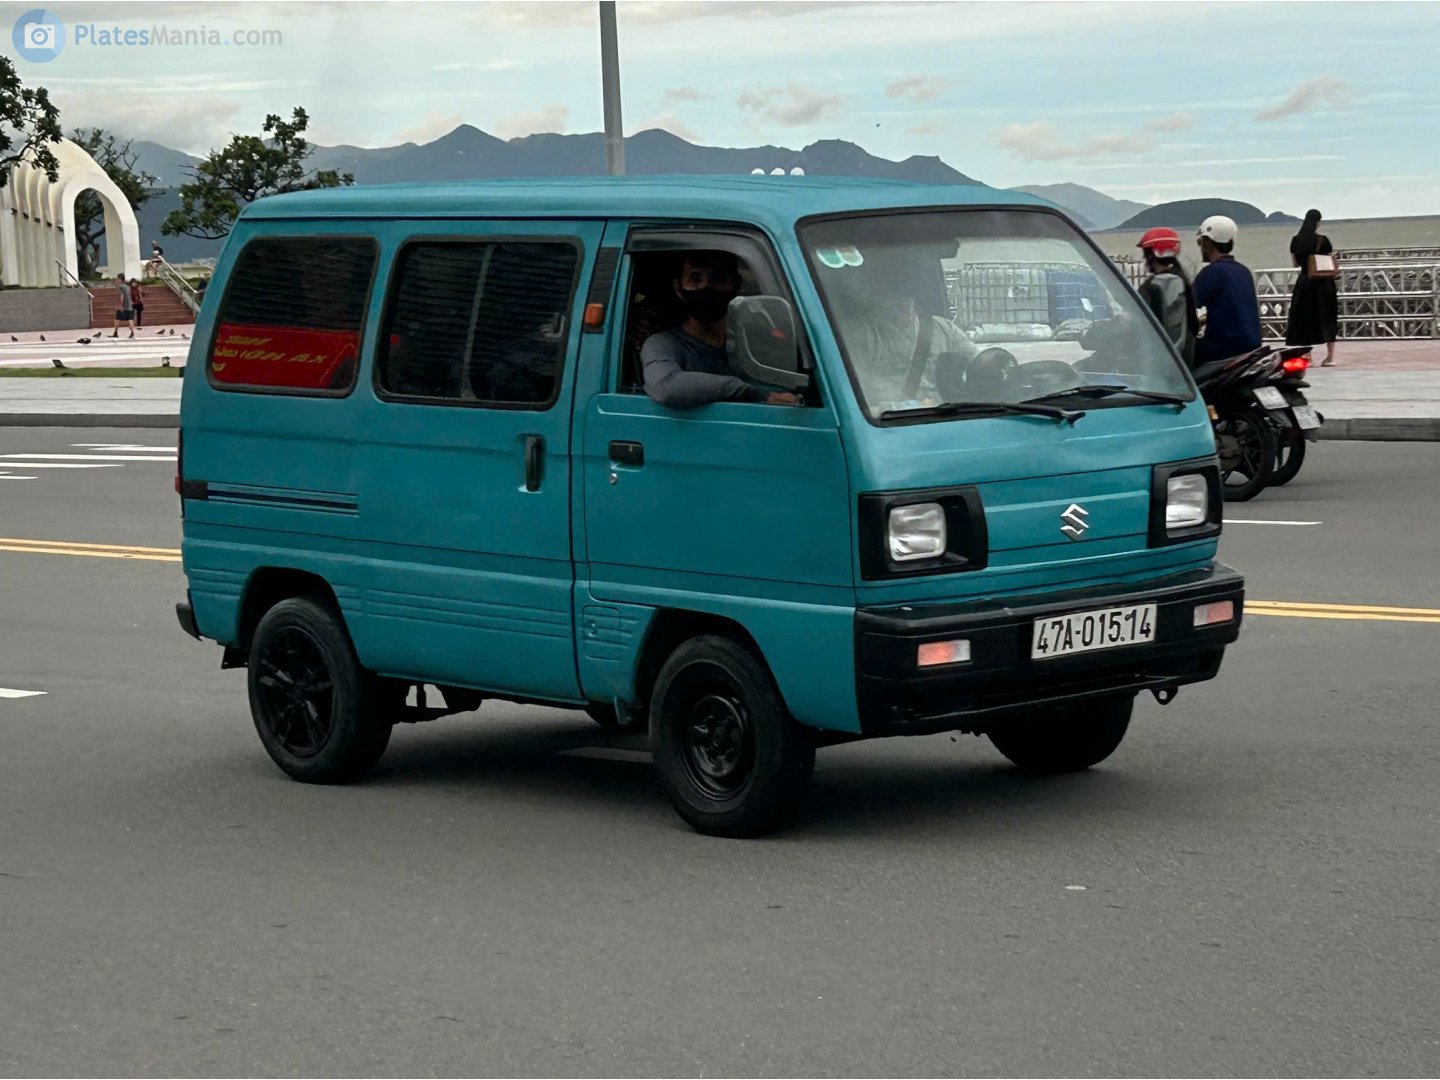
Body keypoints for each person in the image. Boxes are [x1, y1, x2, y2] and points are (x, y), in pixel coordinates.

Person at [640, 251, 799, 409]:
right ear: (678, 287)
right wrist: (751, 393)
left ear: (736, 285)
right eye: (695, 280)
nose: (707, 288)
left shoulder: (758, 342)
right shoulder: (663, 344)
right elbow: (666, 386)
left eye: (718, 279)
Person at [1192, 215, 1261, 365]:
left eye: (1201, 242)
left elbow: (1189, 304)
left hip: (1223, 346)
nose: (1201, 247)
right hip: (1253, 343)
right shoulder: (1244, 271)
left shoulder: (1211, 272)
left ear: (1208, 243)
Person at [1135, 227, 1198, 365]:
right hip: (1184, 358)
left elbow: (1137, 319)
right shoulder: (1182, 280)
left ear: (1152, 255)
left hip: (1161, 362)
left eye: (1145, 253)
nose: (1144, 258)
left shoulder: (1154, 286)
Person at [1285, 208, 1339, 365]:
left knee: (1305, 318)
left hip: (1305, 283)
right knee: (1327, 317)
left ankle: (1307, 356)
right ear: (1317, 222)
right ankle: (1329, 357)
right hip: (1324, 285)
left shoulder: (1296, 240)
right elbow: (1331, 262)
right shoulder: (1323, 240)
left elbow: (1295, 263)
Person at [111, 274, 136, 338]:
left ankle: (115, 333)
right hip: (129, 305)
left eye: (117, 279)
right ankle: (132, 332)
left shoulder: (120, 287)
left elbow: (121, 296)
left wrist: (120, 305)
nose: (116, 280)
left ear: (120, 279)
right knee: (130, 319)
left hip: (123, 306)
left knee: (117, 319)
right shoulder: (128, 287)